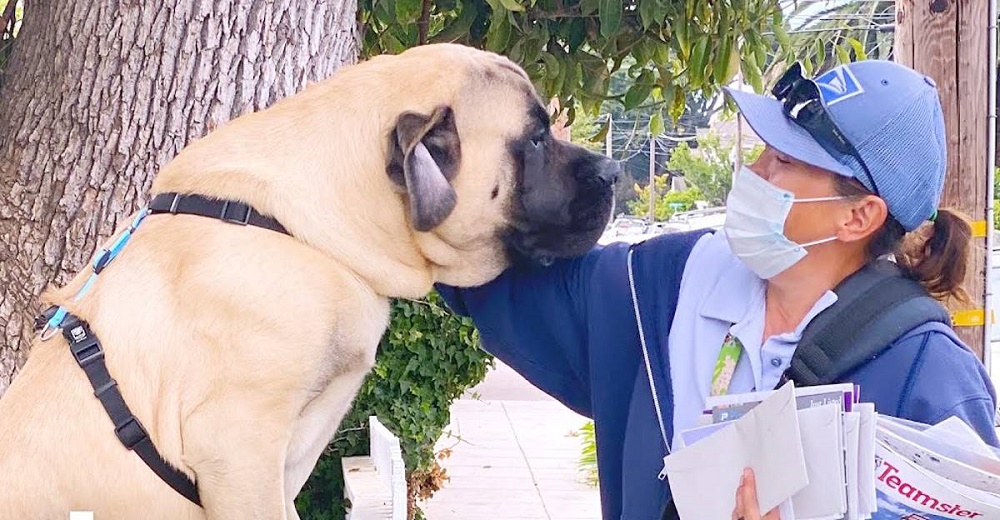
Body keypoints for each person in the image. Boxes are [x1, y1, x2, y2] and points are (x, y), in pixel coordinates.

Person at [435, 59, 999, 520]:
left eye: (781, 161)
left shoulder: (930, 379)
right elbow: (487, 273)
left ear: (858, 217)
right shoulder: (662, 285)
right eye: (761, 150)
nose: (750, 172)